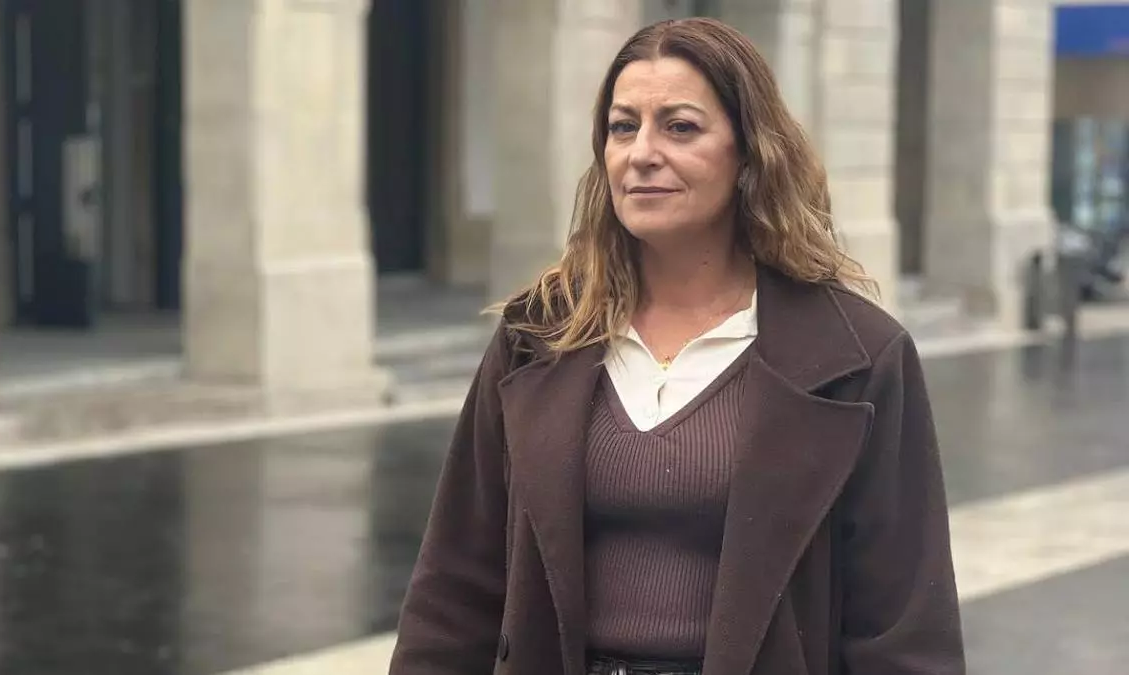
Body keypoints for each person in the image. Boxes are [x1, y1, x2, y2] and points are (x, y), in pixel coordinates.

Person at [388, 17, 964, 675]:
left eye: (680, 127)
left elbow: (903, 632)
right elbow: (454, 588)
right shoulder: (538, 335)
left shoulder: (858, 356)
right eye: (622, 126)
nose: (642, 153)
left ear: (749, 152)